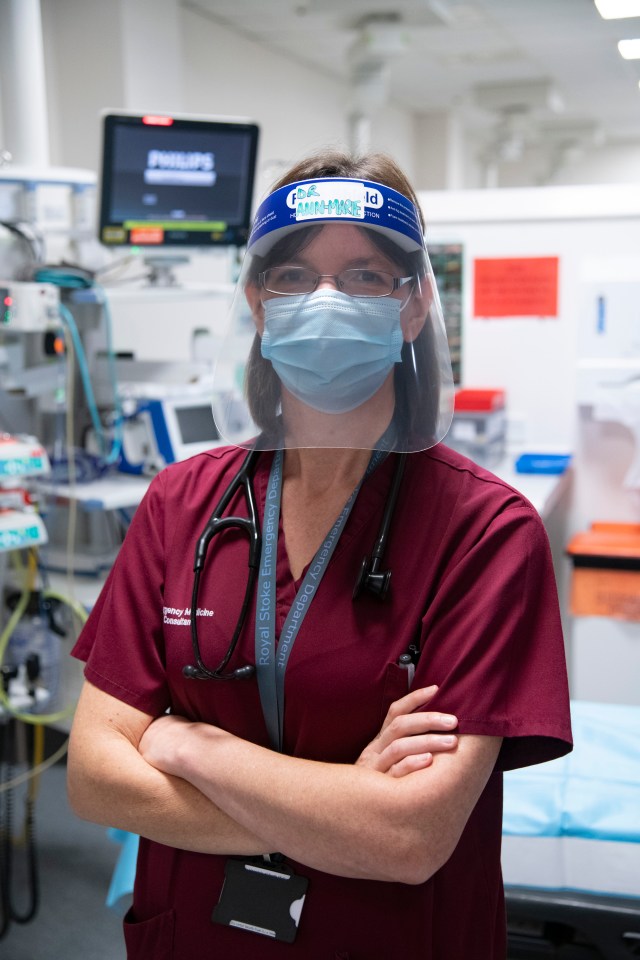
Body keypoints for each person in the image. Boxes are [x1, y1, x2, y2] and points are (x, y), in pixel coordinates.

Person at [67, 149, 572, 960]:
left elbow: (408, 839)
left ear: (413, 307)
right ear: (259, 303)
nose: (326, 301)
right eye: (294, 276)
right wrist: (344, 813)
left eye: (366, 277)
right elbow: (94, 778)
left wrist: (191, 745)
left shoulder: (485, 533)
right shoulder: (183, 503)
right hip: (195, 934)